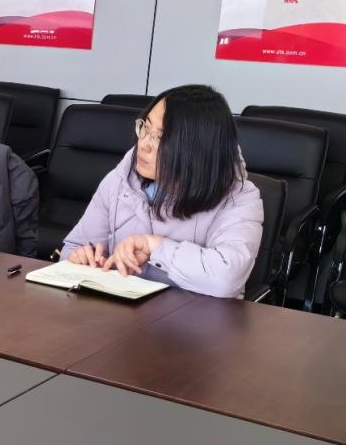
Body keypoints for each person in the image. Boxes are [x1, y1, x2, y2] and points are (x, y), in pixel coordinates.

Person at [61, 84, 263, 299]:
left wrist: (156, 246)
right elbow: (73, 247)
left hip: (194, 317)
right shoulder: (120, 179)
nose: (143, 145)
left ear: (197, 149)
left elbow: (225, 279)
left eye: (160, 137)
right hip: (120, 312)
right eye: (145, 128)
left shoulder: (239, 198)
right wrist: (81, 259)